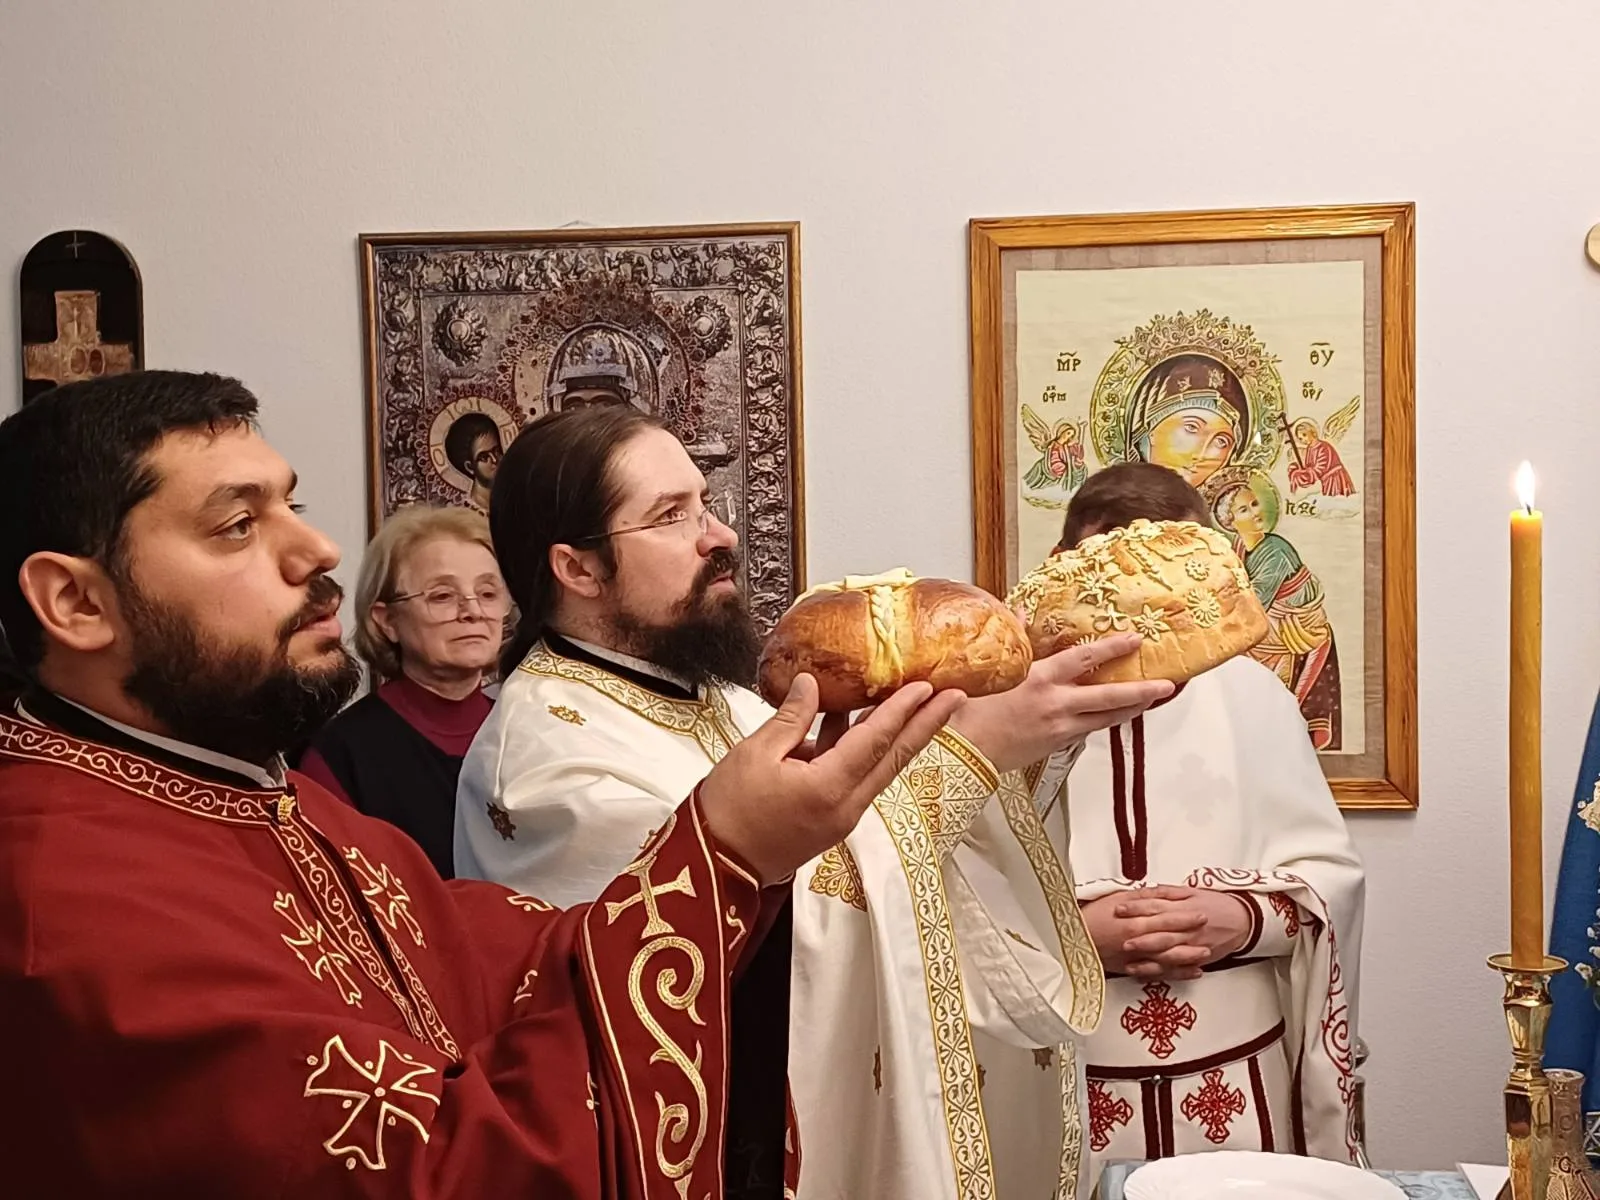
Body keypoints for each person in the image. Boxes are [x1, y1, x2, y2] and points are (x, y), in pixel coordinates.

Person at [0, 370, 967, 1198]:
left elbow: (496, 956)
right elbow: (437, 1171)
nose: (319, 549)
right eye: (237, 525)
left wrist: (724, 855)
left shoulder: (250, 793)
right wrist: (718, 860)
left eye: (292, 504)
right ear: (77, 602)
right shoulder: (65, 901)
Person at [455, 404, 1174, 1200]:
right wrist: (973, 753)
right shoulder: (543, 760)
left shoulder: (718, 695)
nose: (719, 534)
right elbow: (742, 945)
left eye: (706, 501)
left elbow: (855, 832)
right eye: (670, 516)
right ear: (578, 569)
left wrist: (1012, 744)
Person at [1046, 462, 1365, 1173]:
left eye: (1167, 573)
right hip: (1061, 1077)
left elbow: (1330, 885)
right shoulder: (1005, 714)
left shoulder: (1257, 697)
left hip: (1238, 1086)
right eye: (1115, 573)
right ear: (1064, 567)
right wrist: (1071, 936)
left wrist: (1240, 920)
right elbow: (951, 904)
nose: (1143, 601)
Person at [297, 504, 505, 878]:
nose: (473, 612)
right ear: (387, 620)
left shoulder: (532, 729)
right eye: (442, 596)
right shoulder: (340, 756)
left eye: (488, 593)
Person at [1211, 468, 1343, 751]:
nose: (1255, 513)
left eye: (1255, 504)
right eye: (1244, 509)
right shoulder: (1239, 547)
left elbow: (1255, 604)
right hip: (1274, 623)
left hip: (1295, 625)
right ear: (1229, 521)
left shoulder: (1276, 550)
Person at [442, 412, 501, 512]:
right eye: (484, 457)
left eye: (497, 451)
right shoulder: (467, 517)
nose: (495, 460)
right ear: (469, 467)